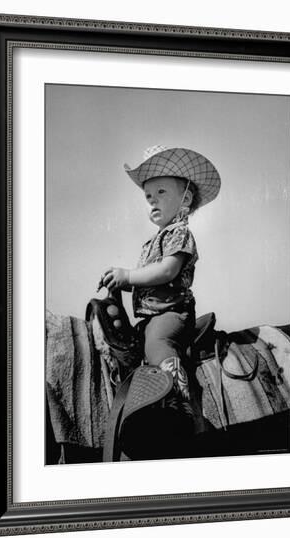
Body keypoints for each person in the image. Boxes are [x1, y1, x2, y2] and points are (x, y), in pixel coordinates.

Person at [98, 145, 221, 403]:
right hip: (151, 317)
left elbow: (167, 270)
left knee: (157, 343)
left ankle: (177, 399)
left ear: (185, 200)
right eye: (148, 195)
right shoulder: (150, 243)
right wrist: (119, 281)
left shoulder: (179, 233)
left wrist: (129, 276)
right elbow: (147, 282)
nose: (152, 199)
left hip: (171, 314)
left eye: (161, 192)